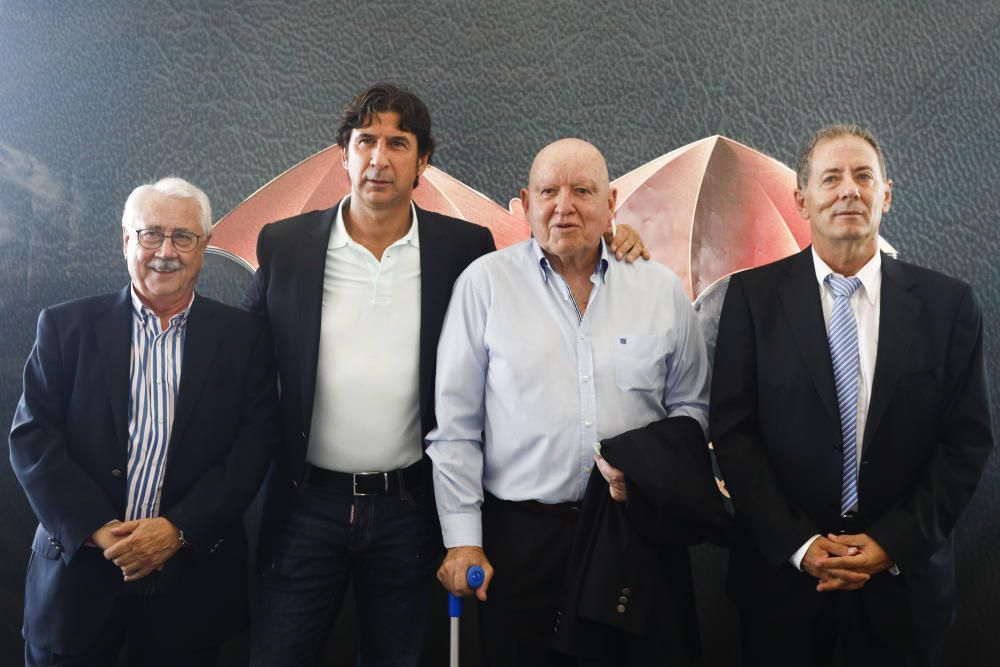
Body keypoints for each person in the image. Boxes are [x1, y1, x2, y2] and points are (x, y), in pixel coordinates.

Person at [245, 85, 647, 666]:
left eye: (398, 144)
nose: (379, 159)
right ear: (344, 154)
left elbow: (549, 249)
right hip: (307, 505)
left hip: (409, 508)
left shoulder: (461, 246)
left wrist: (612, 235)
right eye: (366, 142)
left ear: (423, 160)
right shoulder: (285, 245)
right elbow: (255, 381)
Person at [710, 125, 994, 666]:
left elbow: (965, 444)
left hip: (903, 593)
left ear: (886, 193)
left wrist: (892, 543)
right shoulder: (751, 300)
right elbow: (734, 436)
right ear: (802, 199)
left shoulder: (948, 305)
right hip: (782, 593)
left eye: (864, 176)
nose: (848, 190)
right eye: (831, 178)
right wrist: (800, 546)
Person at [427, 138, 715, 666]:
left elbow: (693, 410)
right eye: (548, 191)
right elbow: (456, 429)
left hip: (636, 535)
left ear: (612, 201)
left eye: (582, 190)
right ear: (525, 202)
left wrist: (650, 472)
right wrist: (464, 540)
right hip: (522, 543)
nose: (564, 206)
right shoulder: (484, 286)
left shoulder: (658, 289)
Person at [9, 177, 280, 667]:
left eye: (183, 237)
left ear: (206, 245)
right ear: (125, 240)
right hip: (77, 576)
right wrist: (96, 528)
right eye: (151, 233)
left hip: (190, 583)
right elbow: (33, 440)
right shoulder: (66, 328)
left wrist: (177, 529)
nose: (165, 252)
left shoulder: (244, 340)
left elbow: (253, 448)